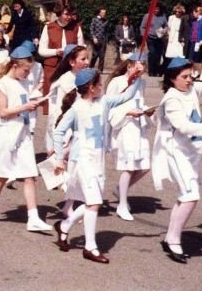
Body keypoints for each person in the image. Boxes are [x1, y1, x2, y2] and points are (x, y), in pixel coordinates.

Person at [52, 66, 142, 264]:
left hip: (98, 159)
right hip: (82, 159)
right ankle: (90, 247)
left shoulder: (104, 102)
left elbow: (126, 96)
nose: (102, 86)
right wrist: (59, 158)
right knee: (94, 203)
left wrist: (136, 76)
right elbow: (58, 132)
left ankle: (65, 226)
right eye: (99, 84)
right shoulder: (76, 108)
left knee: (92, 201)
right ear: (90, 88)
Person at [151, 57, 202, 263]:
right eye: (184, 77)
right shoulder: (171, 99)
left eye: (190, 75)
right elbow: (183, 126)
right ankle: (174, 239)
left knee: (186, 196)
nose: (189, 80)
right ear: (172, 79)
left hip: (190, 152)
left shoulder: (190, 89)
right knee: (190, 196)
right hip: (175, 152)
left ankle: (171, 236)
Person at [0, 46, 52, 231]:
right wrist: (25, 107)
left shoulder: (25, 83)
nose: (28, 74)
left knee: (30, 175)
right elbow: (3, 113)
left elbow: (25, 102)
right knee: (2, 175)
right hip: (8, 134)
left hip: (23, 134)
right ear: (14, 65)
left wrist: (36, 101)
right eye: (25, 70)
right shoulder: (3, 84)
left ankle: (33, 217)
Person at [107, 52, 152, 221]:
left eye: (144, 66)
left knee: (145, 165)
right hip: (125, 127)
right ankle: (122, 204)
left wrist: (148, 111)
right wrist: (127, 112)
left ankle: (121, 189)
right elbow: (109, 106)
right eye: (138, 65)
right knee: (129, 165)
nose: (141, 69)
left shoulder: (142, 82)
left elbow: (139, 102)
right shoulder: (117, 82)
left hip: (138, 126)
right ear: (129, 66)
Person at [38, 0, 84, 97]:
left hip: (70, 67)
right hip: (52, 68)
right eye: (66, 14)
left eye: (70, 14)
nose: (69, 17)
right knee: (51, 97)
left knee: (69, 95)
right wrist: (56, 52)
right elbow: (41, 51)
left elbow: (82, 49)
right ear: (59, 13)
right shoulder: (48, 27)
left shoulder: (76, 27)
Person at [140, 5, 168, 77]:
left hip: (159, 38)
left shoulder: (163, 16)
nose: (156, 10)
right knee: (152, 53)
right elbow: (142, 27)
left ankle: (156, 71)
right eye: (155, 9)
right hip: (150, 38)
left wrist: (164, 31)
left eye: (158, 9)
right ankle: (151, 71)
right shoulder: (147, 16)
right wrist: (144, 36)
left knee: (158, 55)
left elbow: (166, 26)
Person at [89, 7, 108, 72]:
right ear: (99, 13)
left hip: (103, 40)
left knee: (102, 56)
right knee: (95, 55)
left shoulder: (106, 20)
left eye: (105, 13)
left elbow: (106, 31)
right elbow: (91, 29)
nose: (104, 14)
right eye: (102, 13)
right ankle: (90, 68)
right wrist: (94, 37)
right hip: (95, 40)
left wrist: (106, 40)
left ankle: (100, 70)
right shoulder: (94, 19)